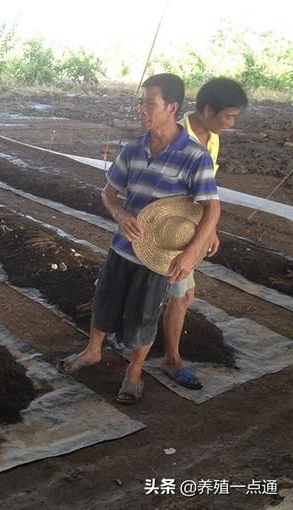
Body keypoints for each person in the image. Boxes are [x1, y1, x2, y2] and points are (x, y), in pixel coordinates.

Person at [58, 73, 220, 404]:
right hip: (122, 247)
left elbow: (212, 211)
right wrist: (120, 215)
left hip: (159, 256)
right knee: (104, 303)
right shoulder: (133, 149)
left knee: (144, 316)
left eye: (149, 104)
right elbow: (108, 192)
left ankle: (134, 372)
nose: (141, 110)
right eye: (141, 103)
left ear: (171, 107)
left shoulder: (194, 156)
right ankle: (93, 351)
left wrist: (190, 255)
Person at [160, 78, 247, 389]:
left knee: (178, 292)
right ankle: (170, 359)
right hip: (166, 228)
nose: (232, 123)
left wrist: (209, 228)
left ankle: (126, 335)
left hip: (190, 228)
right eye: (229, 116)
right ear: (208, 109)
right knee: (181, 294)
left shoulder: (211, 137)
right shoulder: (175, 137)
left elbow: (208, 192)